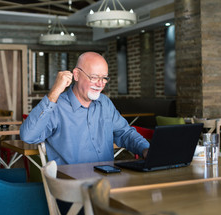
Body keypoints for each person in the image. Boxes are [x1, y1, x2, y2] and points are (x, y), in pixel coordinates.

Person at [20, 51, 149, 165]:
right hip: (72, 184)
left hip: (107, 180)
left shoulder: (105, 103)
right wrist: (55, 91)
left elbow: (125, 133)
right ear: (76, 75)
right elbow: (28, 136)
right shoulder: (57, 106)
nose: (100, 84)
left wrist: (146, 149)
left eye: (104, 78)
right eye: (94, 77)